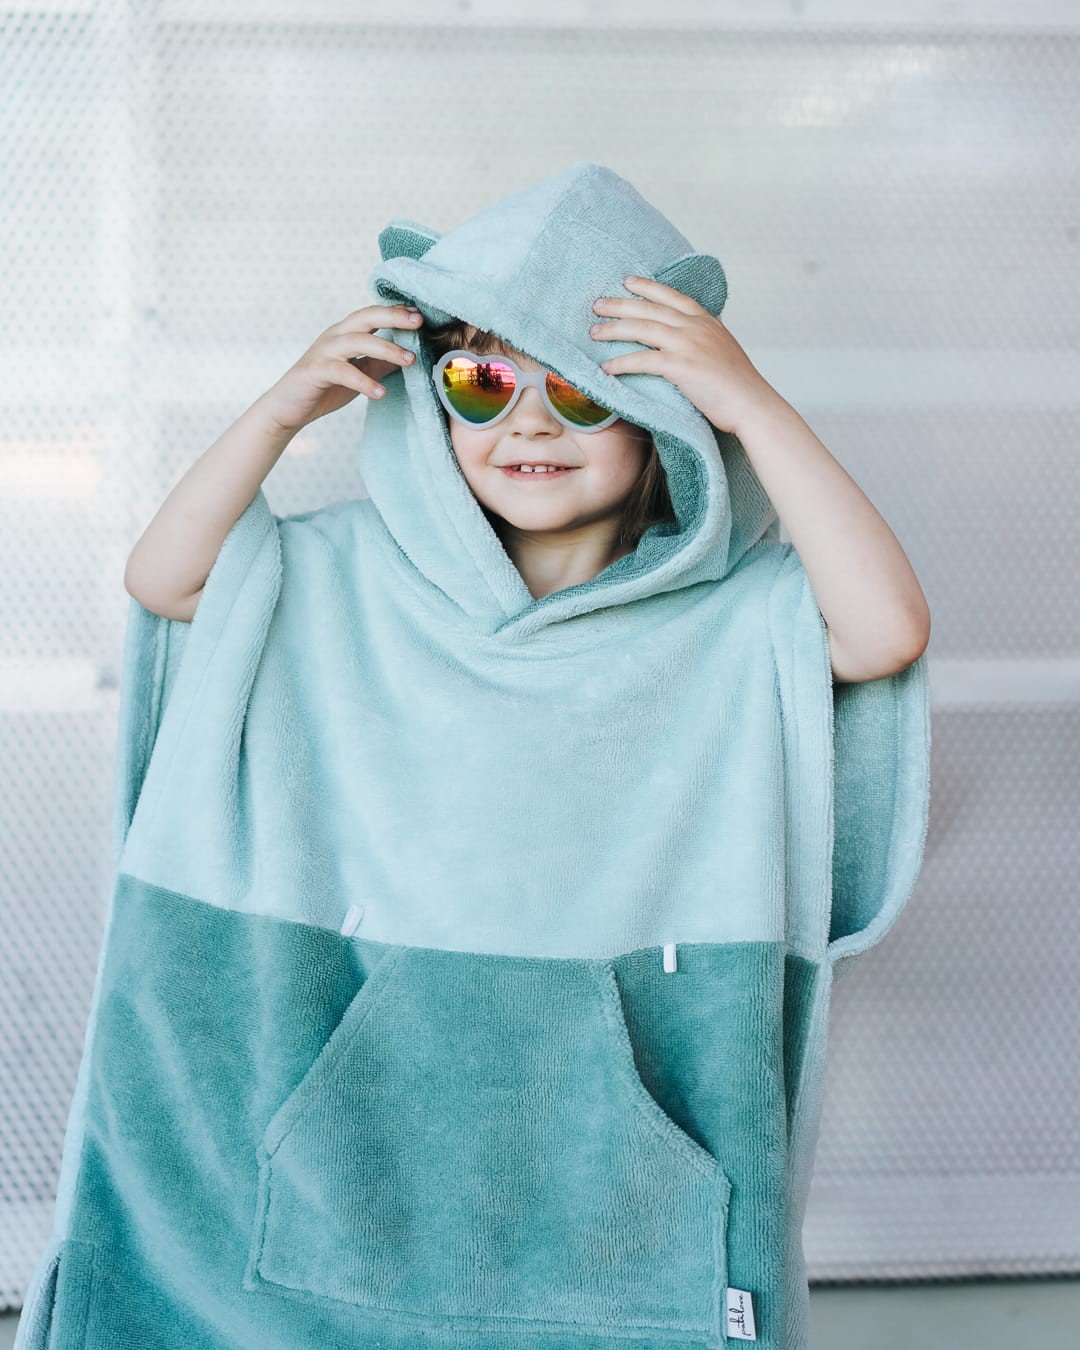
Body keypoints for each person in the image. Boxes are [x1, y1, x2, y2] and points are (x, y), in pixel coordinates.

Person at [20, 162, 931, 1350]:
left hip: (600, 1171)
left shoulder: (734, 620)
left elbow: (884, 630)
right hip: (336, 1159)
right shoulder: (336, 575)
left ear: (666, 423)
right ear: (431, 395)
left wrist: (753, 401)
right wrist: (282, 407)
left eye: (585, 392)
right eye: (482, 380)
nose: (530, 422)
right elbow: (169, 580)